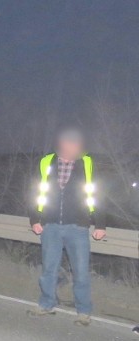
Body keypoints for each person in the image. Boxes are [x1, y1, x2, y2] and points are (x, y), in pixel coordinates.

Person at [28, 128, 106, 326]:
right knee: (49, 269)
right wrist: (34, 219)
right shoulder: (47, 162)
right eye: (67, 143)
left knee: (80, 271)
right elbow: (35, 191)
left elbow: (96, 194)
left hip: (77, 227)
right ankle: (46, 304)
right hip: (50, 225)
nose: (70, 147)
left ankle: (83, 311)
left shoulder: (87, 163)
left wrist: (100, 223)